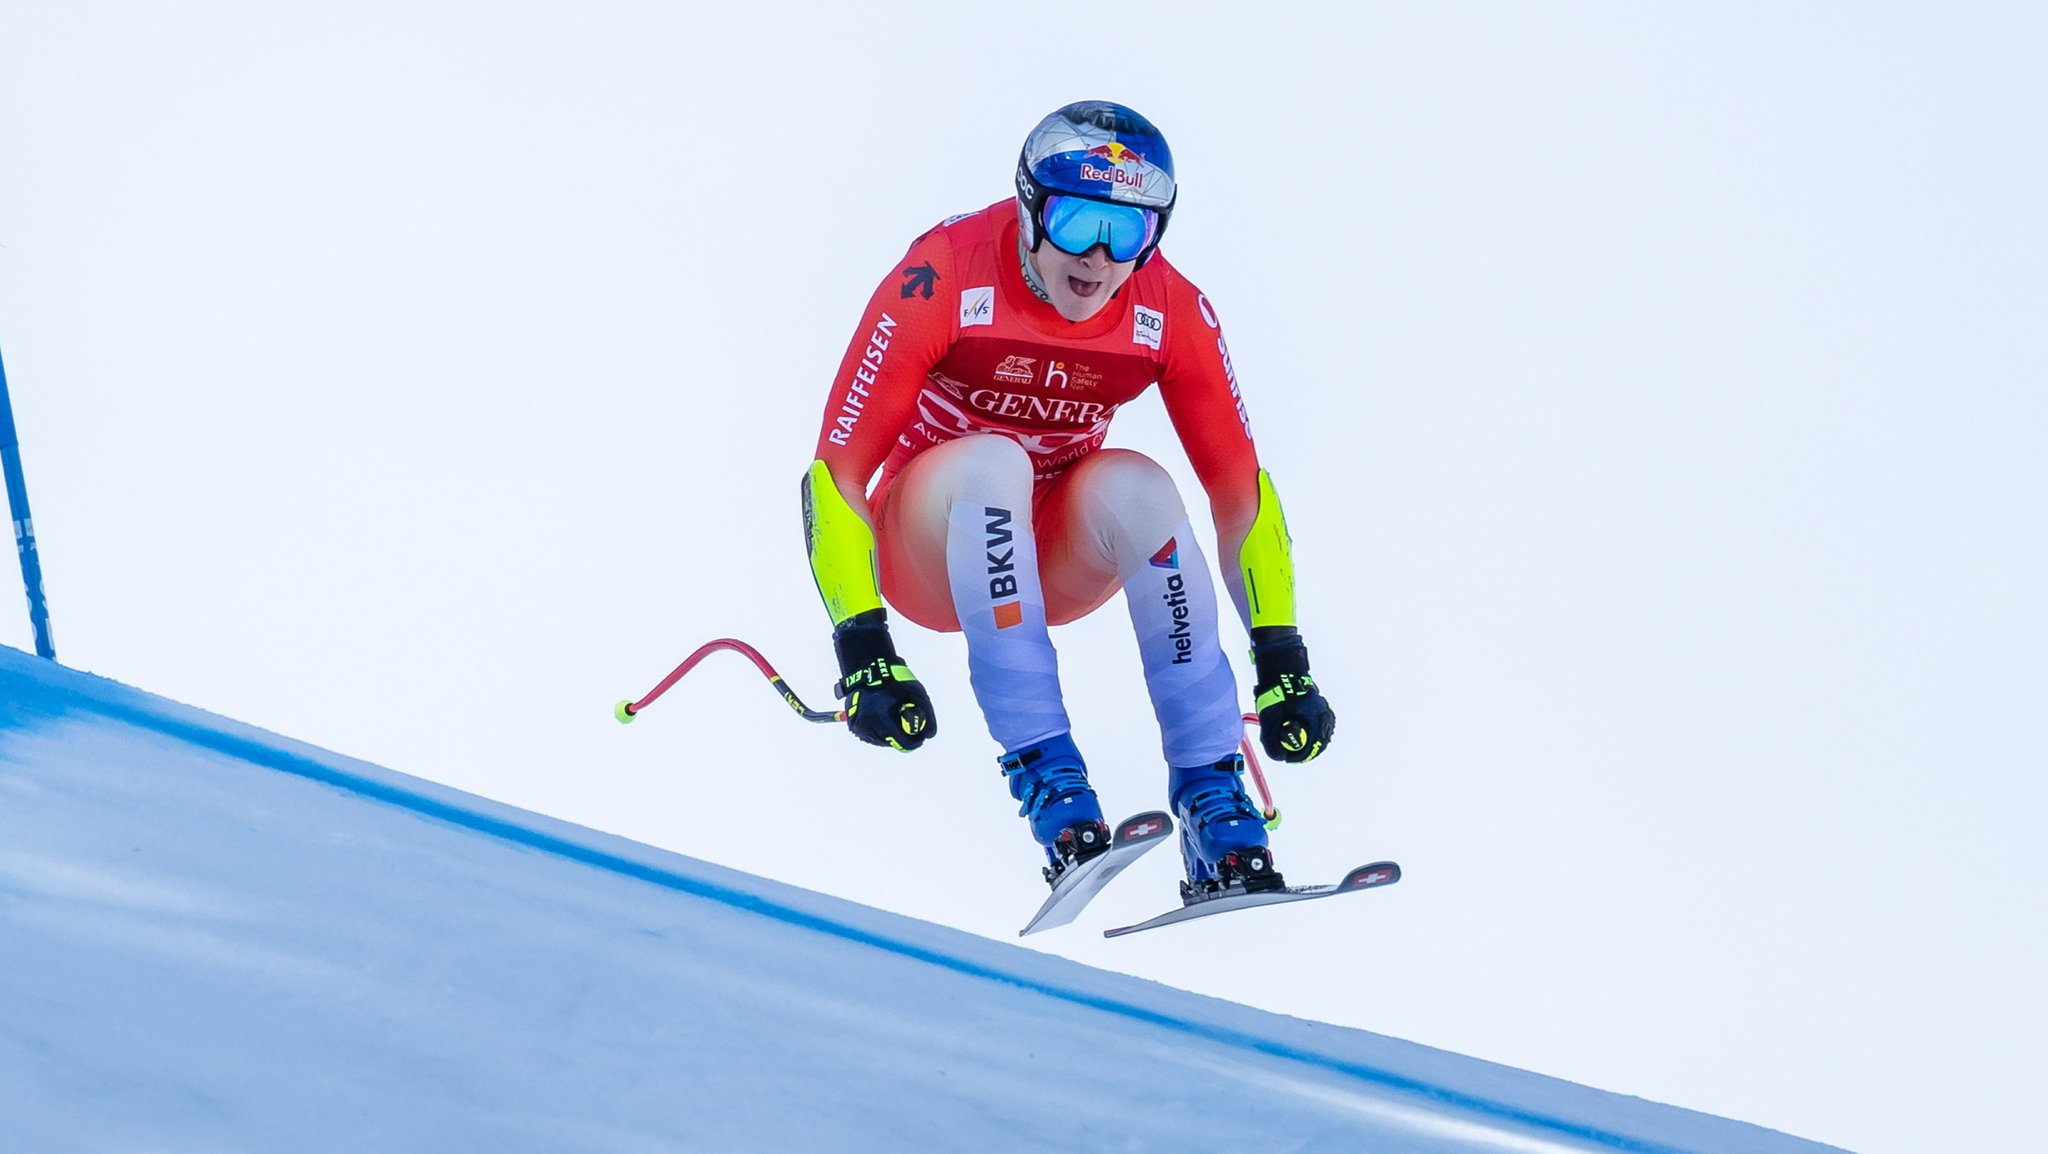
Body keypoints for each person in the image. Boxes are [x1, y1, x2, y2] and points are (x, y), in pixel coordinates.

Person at [801, 100, 1336, 897]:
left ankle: (1213, 800)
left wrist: (1282, 653)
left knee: (1140, 486)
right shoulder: (945, 273)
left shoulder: (1169, 310)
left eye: (1128, 233)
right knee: (993, 463)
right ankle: (1051, 785)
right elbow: (833, 476)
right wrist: (862, 648)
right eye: (1078, 220)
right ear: (1029, 207)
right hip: (930, 546)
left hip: (1048, 558)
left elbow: (1239, 493)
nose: (1097, 256)